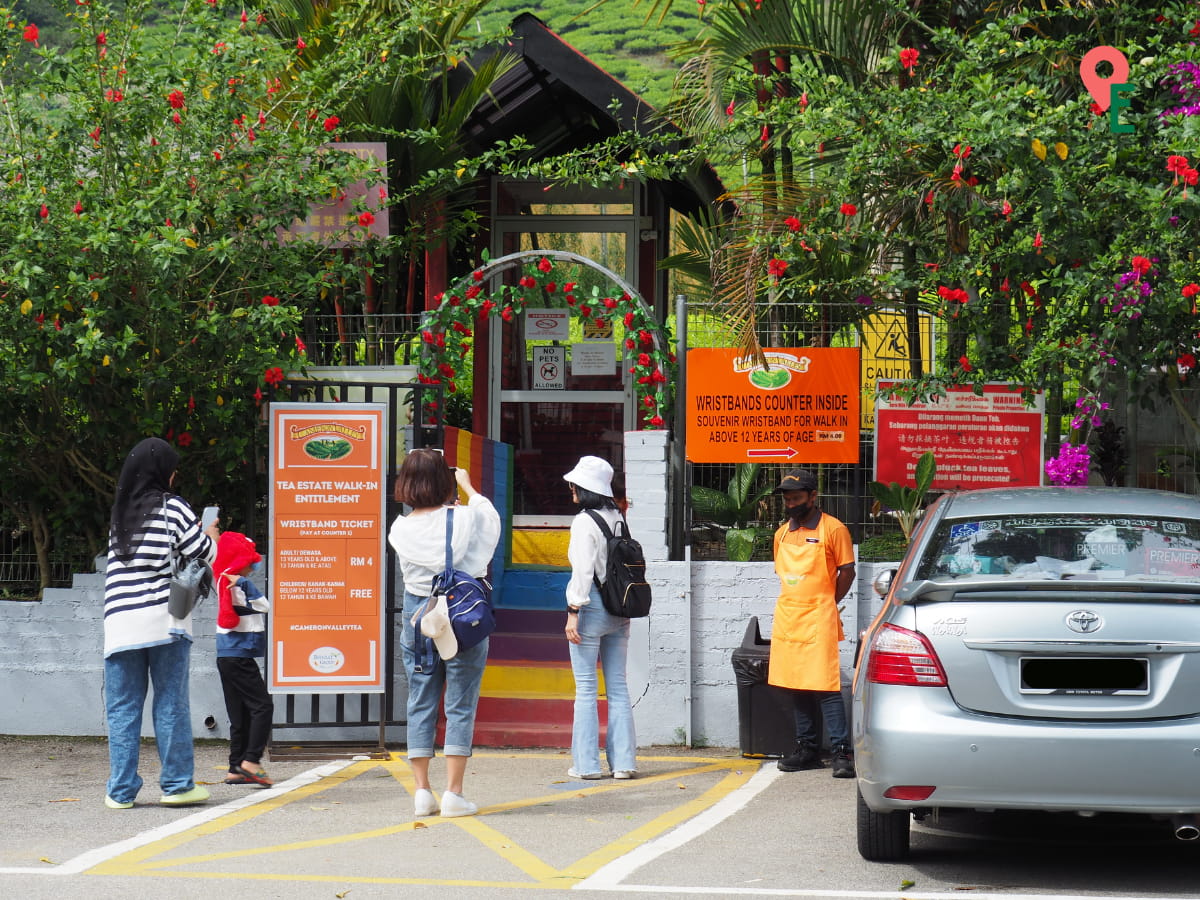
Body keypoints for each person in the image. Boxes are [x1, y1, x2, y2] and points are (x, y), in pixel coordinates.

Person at [102, 437, 219, 808]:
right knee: (170, 703)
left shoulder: (120, 515)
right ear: (162, 472)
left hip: (120, 624)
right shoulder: (174, 508)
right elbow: (202, 554)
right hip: (165, 621)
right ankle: (177, 786)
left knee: (122, 708)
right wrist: (211, 534)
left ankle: (120, 793)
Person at [389, 449, 500, 819]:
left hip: (419, 615)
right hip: (462, 613)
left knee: (420, 699)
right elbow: (492, 523)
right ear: (445, 481)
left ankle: (422, 793)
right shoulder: (467, 518)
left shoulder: (399, 529)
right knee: (461, 703)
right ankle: (454, 793)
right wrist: (468, 486)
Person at [768, 468, 856, 778]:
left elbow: (847, 571)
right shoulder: (781, 534)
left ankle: (841, 752)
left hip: (819, 614)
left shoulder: (834, 530)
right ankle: (806, 749)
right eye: (788, 499)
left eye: (797, 498)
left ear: (813, 496)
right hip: (790, 616)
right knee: (797, 685)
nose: (792, 504)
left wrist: (829, 602)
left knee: (826, 685)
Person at [562, 455, 638, 780]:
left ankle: (587, 765)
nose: (571, 489)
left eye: (574, 485)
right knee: (619, 686)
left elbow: (582, 571)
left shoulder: (583, 521)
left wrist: (572, 612)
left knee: (586, 689)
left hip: (591, 606)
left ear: (583, 488)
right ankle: (623, 764)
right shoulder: (618, 517)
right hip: (620, 606)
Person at [213, 530, 274, 787]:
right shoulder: (236, 585)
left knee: (239, 713)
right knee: (262, 707)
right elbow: (264, 606)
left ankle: (235, 767)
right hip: (239, 655)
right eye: (250, 563)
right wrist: (244, 583)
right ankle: (251, 760)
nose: (253, 568)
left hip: (226, 655)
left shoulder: (220, 581)